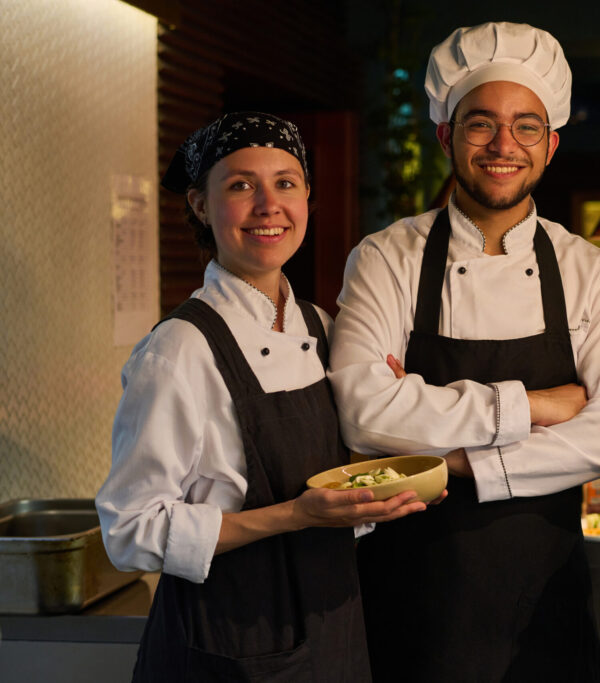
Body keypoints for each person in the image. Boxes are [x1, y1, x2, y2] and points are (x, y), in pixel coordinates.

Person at [329, 21, 600, 682]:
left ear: (551, 144)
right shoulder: (387, 258)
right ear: (446, 135)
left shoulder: (588, 269)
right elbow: (362, 413)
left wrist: (454, 460)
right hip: (407, 613)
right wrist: (541, 405)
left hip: (546, 613)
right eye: (481, 124)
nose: (504, 145)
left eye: (526, 126)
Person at [96, 112, 427, 682]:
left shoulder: (321, 327)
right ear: (201, 206)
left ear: (307, 202)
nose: (268, 205)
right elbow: (129, 531)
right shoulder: (178, 350)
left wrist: (387, 479)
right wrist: (294, 516)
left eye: (286, 183)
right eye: (241, 185)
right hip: (226, 644)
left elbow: (338, 470)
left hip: (333, 632)